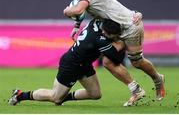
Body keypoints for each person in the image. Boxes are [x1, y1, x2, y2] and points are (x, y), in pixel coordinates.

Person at [63, 0, 165, 102]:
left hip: (131, 26)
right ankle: (136, 90)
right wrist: (77, 25)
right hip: (118, 29)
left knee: (137, 61)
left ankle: (157, 78)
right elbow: (83, 11)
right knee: (107, 62)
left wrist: (65, 11)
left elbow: (78, 10)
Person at [8, 19, 145, 107]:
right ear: (105, 32)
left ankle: (64, 98)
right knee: (55, 98)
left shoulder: (95, 21)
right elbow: (116, 58)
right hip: (71, 65)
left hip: (84, 64)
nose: (114, 38)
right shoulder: (99, 40)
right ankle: (20, 95)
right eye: (112, 36)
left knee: (95, 94)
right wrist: (123, 43)